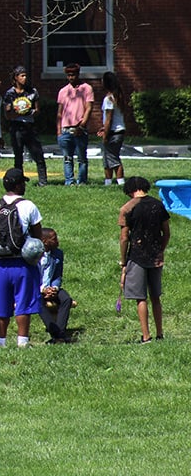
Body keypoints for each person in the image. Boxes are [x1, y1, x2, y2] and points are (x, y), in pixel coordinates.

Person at [0, 167, 44, 347]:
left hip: (0, 262)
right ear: (19, 185)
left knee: (1, 303)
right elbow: (37, 236)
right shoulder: (28, 206)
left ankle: (1, 341)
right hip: (22, 262)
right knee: (23, 302)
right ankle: (22, 340)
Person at [119, 176, 170, 343]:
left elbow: (124, 238)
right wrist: (160, 249)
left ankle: (146, 336)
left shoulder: (127, 208)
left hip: (137, 256)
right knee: (155, 296)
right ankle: (160, 333)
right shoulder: (158, 205)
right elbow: (166, 232)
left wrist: (123, 260)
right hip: (156, 256)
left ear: (130, 190)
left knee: (141, 298)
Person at [3, 65, 48, 186]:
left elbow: (37, 110)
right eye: (22, 76)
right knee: (18, 156)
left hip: (30, 126)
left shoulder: (32, 91)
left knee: (38, 154)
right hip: (16, 127)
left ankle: (43, 181)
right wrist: (16, 112)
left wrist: (29, 111)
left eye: (26, 75)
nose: (25, 78)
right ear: (16, 77)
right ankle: (19, 180)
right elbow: (7, 114)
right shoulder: (10, 94)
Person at [57, 63, 93, 185]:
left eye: (73, 75)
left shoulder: (86, 88)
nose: (71, 77)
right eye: (68, 75)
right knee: (67, 158)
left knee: (81, 158)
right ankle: (69, 181)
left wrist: (82, 126)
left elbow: (89, 108)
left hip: (79, 128)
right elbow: (60, 112)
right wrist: (58, 131)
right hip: (65, 129)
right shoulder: (63, 91)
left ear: (78, 74)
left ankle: (82, 181)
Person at [38, 227, 73, 343]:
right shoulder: (34, 254)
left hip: (51, 287)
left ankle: (59, 333)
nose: (57, 241)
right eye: (54, 239)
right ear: (44, 241)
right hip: (35, 289)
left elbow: (58, 275)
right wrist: (42, 290)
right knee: (37, 301)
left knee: (66, 299)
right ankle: (57, 333)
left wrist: (54, 288)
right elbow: (30, 277)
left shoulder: (58, 254)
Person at [98, 71, 127, 186]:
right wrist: (104, 128)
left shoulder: (108, 99)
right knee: (108, 158)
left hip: (113, 133)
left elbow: (109, 119)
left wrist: (106, 134)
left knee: (113, 159)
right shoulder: (118, 97)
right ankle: (108, 182)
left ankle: (121, 182)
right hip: (118, 131)